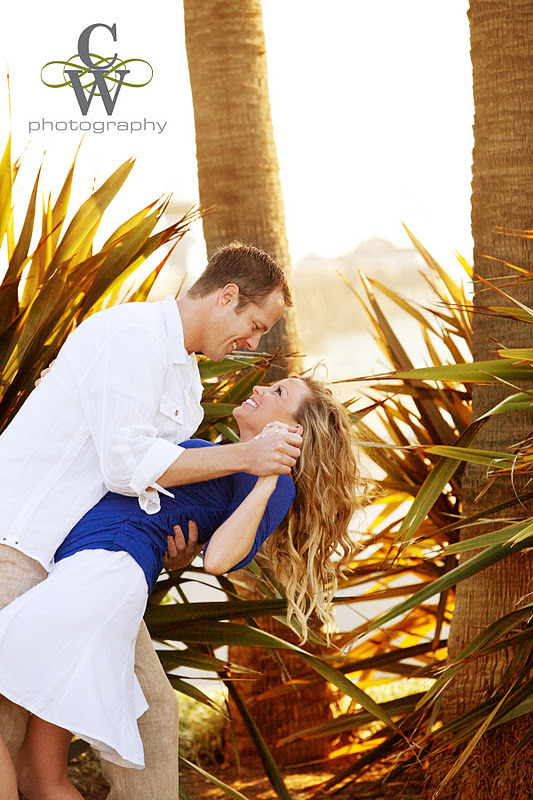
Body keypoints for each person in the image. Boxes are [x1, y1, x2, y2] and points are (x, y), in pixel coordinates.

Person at [0, 242, 303, 800]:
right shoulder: (131, 337)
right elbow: (126, 467)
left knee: (154, 718)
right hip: (17, 538)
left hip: (80, 559)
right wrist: (249, 457)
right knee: (7, 724)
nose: (255, 345)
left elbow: (152, 488)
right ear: (227, 296)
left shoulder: (185, 380)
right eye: (255, 325)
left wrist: (178, 548)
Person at [0, 375, 369, 800]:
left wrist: (269, 474)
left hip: (101, 573)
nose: (261, 390)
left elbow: (218, 558)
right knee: (41, 777)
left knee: (43, 776)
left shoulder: (272, 481)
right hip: (86, 572)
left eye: (278, 393)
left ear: (293, 431)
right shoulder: (225, 456)